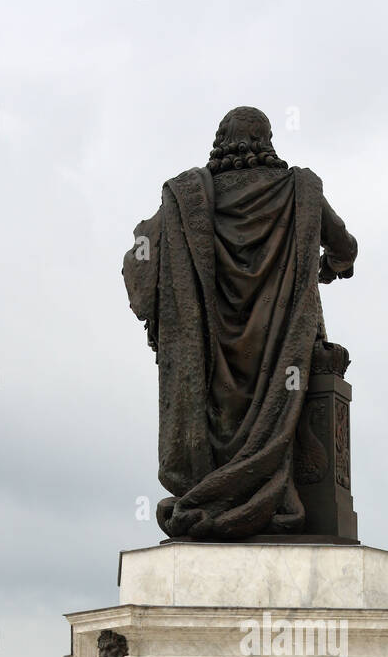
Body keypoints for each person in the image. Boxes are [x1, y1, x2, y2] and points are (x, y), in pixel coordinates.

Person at [123, 106, 358, 540]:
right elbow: (345, 245)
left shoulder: (185, 196)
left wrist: (165, 301)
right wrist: (329, 265)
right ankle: (270, 496)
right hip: (280, 353)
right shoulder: (300, 191)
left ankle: (215, 493)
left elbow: (141, 254)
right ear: (267, 140)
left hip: (208, 354)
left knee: (217, 416)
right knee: (284, 403)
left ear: (220, 141)